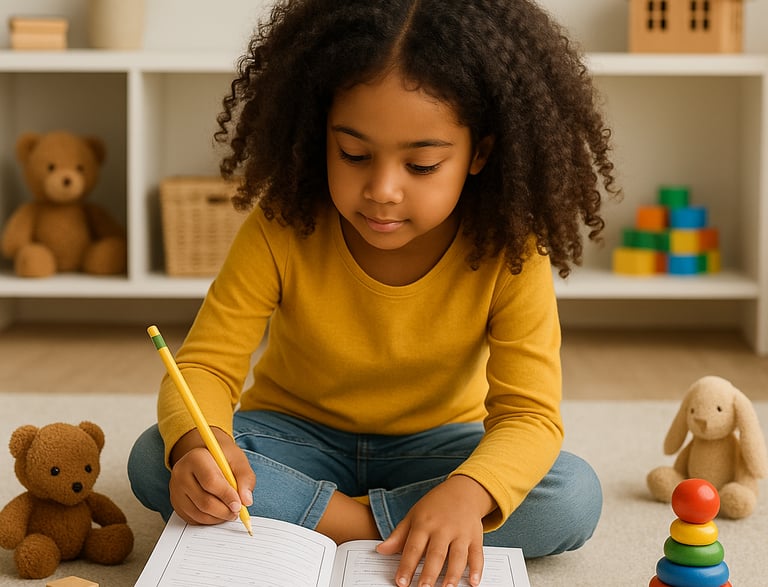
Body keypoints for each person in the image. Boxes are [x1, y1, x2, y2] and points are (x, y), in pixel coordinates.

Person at [129, 1, 619, 585]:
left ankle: (337, 519)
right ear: (321, 136)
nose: (382, 190)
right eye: (354, 155)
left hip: (439, 448)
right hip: (294, 434)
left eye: (422, 165)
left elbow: (529, 417)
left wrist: (465, 494)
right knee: (157, 461)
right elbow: (205, 366)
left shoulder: (510, 252)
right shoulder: (283, 226)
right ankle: (393, 528)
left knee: (571, 497)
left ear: (479, 154)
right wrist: (199, 443)